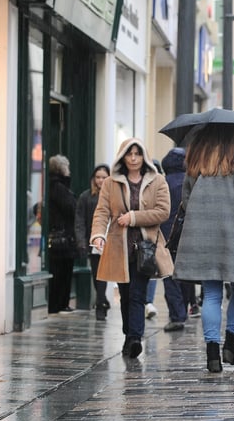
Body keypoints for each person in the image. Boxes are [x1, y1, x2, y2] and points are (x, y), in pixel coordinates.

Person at [172, 128, 234, 373]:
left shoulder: (196, 163)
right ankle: (232, 346)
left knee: (212, 294)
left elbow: (185, 200)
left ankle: (212, 354)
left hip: (202, 238)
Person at [90, 138, 173, 359]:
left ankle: (135, 337)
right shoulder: (110, 183)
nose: (134, 158)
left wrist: (134, 217)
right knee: (125, 295)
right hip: (119, 246)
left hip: (146, 248)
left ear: (143, 155)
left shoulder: (158, 181)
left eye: (137, 154)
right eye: (130, 154)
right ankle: (129, 335)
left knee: (137, 293)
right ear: (122, 156)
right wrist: (98, 235)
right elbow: (102, 212)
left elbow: (163, 211)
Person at [160, 147, 195, 332]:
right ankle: (185, 308)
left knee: (169, 275)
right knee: (184, 275)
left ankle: (177, 314)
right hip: (187, 234)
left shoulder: (163, 183)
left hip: (166, 236)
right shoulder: (190, 182)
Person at [74, 163, 111, 320]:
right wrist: (81, 241)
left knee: (103, 274)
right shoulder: (86, 197)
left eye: (104, 177)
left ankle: (100, 304)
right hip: (94, 240)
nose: (100, 180)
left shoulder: (113, 196)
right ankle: (102, 300)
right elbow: (80, 221)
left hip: (111, 239)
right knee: (97, 274)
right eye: (98, 177)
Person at [47, 154, 77, 314]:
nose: (69, 170)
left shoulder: (55, 186)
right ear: (62, 168)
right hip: (63, 238)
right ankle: (58, 304)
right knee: (62, 273)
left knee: (62, 272)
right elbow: (72, 208)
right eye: (67, 167)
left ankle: (59, 303)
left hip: (62, 236)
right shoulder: (59, 187)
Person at [144, 159, 164, 321]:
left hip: (157, 237)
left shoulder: (163, 187)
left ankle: (148, 301)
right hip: (141, 237)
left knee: (152, 270)